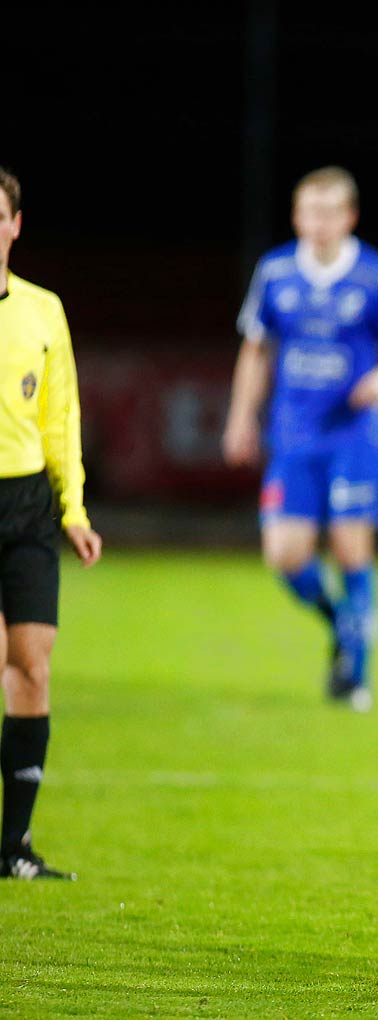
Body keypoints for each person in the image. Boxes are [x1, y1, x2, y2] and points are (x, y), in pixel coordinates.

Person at [222, 167, 378, 711]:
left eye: (329, 212)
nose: (318, 223)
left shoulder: (376, 275)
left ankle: (355, 677)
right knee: (284, 555)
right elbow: (256, 348)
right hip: (293, 435)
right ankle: (343, 625)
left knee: (350, 547)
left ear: (349, 217)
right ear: (296, 216)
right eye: (309, 212)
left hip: (355, 435)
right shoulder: (277, 272)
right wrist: (241, 416)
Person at [0, 167, 103, 881]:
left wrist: (73, 508)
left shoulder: (43, 310)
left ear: (14, 224)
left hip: (29, 504)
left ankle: (14, 847)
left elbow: (60, 415)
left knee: (31, 667)